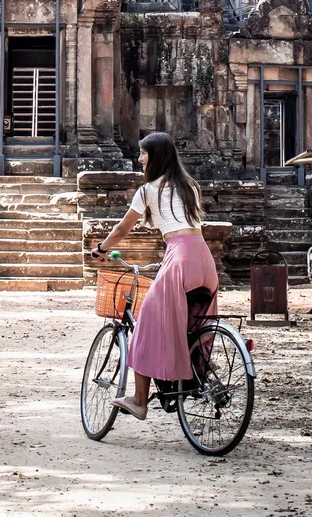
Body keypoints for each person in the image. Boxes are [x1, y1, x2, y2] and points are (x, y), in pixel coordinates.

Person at [91, 131, 218, 420]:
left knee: (146, 321)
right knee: (193, 324)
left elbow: (123, 229)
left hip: (179, 257)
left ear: (155, 157)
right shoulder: (190, 186)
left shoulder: (148, 190)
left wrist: (100, 248)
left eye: (143, 153)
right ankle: (193, 379)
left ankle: (138, 399)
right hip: (203, 257)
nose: (139, 158)